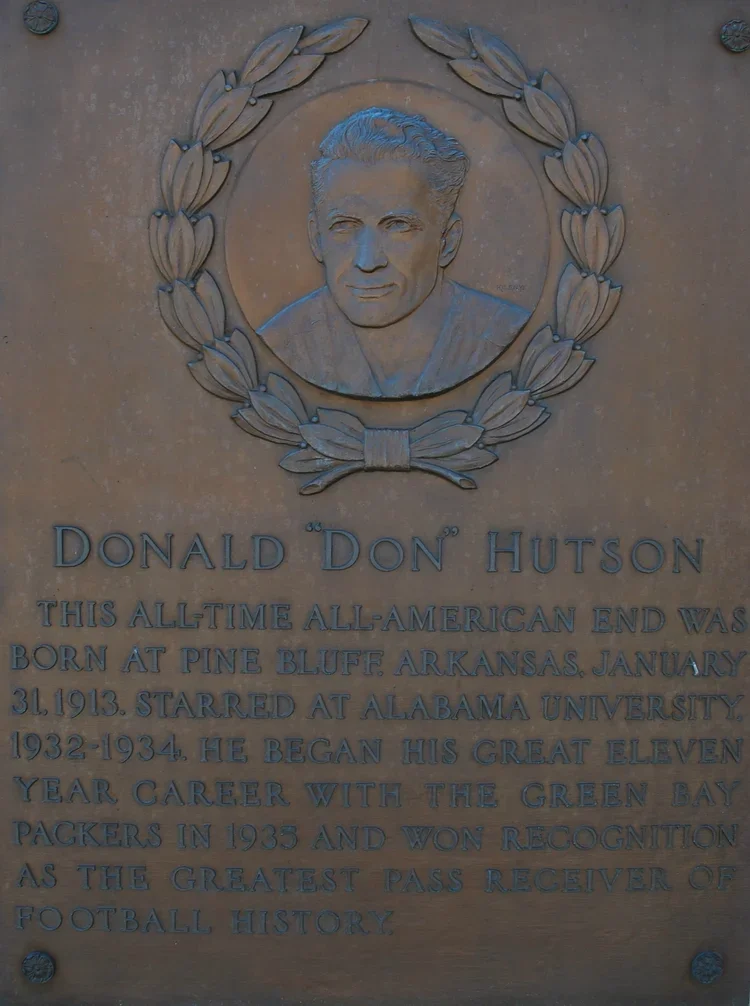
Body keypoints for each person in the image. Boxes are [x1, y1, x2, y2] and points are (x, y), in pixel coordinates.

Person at [258, 106, 530, 399]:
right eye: (345, 226)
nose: (368, 261)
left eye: (397, 225)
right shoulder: (282, 341)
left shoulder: (505, 334)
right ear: (315, 238)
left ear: (447, 241)